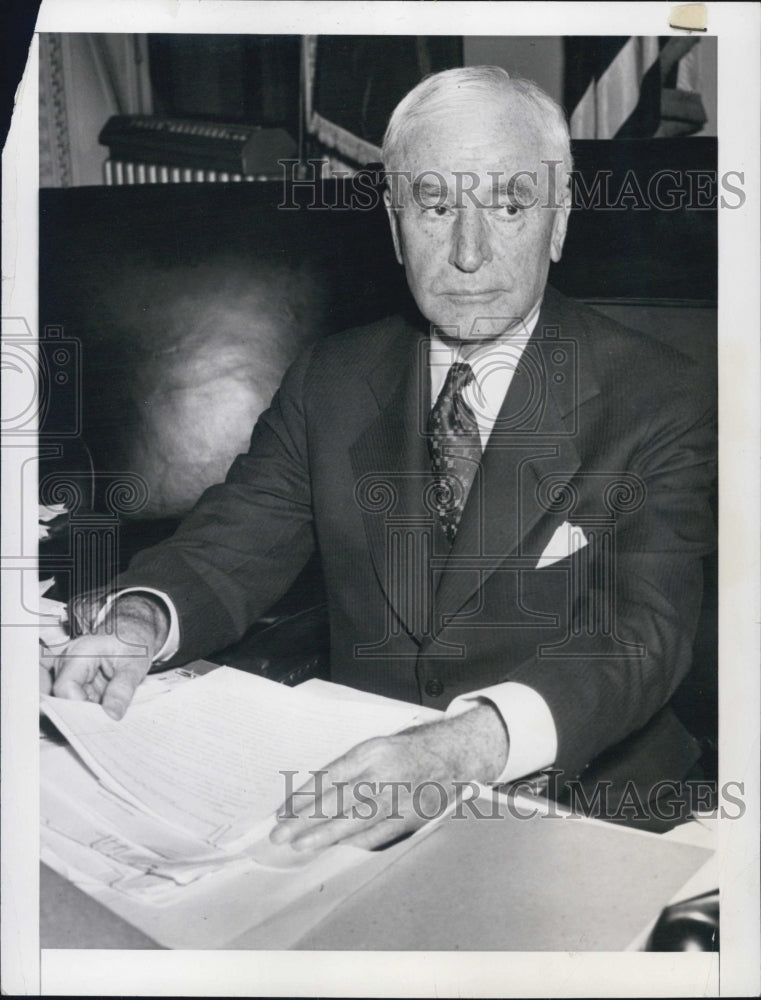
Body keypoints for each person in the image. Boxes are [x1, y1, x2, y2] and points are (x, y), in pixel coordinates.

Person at [44, 67, 716, 850]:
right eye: (435, 206)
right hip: (353, 803)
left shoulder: (658, 395)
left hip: (585, 808)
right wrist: (141, 619)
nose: (468, 254)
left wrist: (467, 746)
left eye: (508, 205)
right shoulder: (329, 379)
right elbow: (232, 543)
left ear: (558, 221)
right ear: (396, 227)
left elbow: (644, 631)